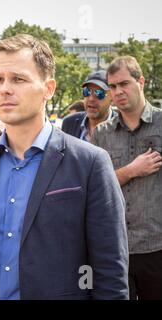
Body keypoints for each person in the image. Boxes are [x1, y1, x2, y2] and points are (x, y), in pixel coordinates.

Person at [0, 34, 129, 300]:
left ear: (48, 88)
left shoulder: (90, 164)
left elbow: (110, 273)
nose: (5, 88)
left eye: (18, 79)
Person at [91, 56, 162, 300]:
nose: (118, 92)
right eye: (112, 87)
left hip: (157, 247)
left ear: (140, 82)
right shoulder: (102, 133)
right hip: (116, 247)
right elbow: (95, 188)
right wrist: (132, 170)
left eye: (124, 84)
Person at [62, 70, 115, 142]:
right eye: (87, 91)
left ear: (112, 96)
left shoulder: (122, 127)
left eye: (99, 93)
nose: (91, 98)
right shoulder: (69, 123)